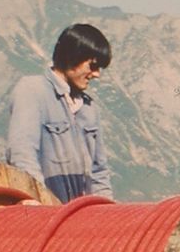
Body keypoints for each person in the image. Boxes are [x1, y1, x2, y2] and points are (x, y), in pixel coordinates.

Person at [6, 23, 114, 202]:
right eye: (93, 66)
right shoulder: (32, 90)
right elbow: (22, 155)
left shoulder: (89, 108)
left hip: (82, 217)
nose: (97, 75)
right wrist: (42, 206)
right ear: (73, 57)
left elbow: (99, 172)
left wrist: (108, 215)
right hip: (45, 212)